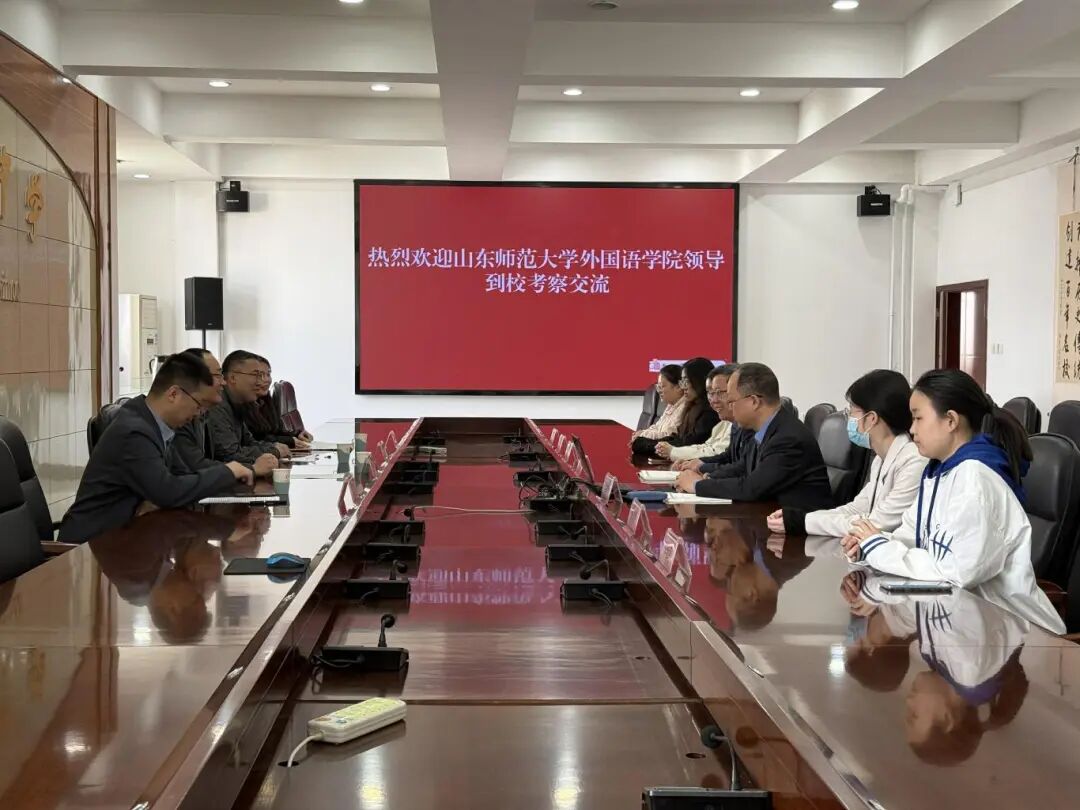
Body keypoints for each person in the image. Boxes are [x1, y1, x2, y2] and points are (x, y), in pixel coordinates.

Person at [841, 368, 1064, 633]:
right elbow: (910, 535)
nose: (911, 429)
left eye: (918, 418)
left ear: (950, 420)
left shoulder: (976, 479)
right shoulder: (939, 472)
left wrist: (878, 547)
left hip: (1017, 632)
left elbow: (956, 573)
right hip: (965, 626)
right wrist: (869, 544)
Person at [58, 353, 252, 543]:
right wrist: (228, 472)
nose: (199, 414)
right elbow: (168, 491)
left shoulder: (155, 425)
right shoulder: (135, 431)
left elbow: (181, 476)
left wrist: (157, 497)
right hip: (91, 544)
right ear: (174, 394)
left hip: (128, 536)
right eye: (198, 404)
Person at [768, 369, 926, 537]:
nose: (848, 417)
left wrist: (803, 522)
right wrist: (804, 518)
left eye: (851, 411)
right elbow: (856, 509)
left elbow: (876, 524)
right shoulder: (880, 459)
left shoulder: (914, 462)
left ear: (871, 419)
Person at [675, 363, 833, 510]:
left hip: (797, 525)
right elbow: (744, 467)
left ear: (754, 401)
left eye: (731, 401)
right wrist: (710, 478)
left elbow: (752, 488)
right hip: (768, 513)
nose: (729, 407)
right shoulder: (765, 429)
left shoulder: (787, 438)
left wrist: (697, 485)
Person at [173, 348, 278, 478]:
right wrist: (253, 468)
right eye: (218, 376)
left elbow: (249, 441)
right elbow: (198, 466)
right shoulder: (189, 415)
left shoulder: (208, 411)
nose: (223, 382)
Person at [207, 350, 291, 466]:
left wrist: (274, 446)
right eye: (256, 375)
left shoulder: (239, 403)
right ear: (233, 378)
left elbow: (249, 442)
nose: (261, 382)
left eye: (264, 375)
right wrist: (275, 451)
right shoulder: (218, 405)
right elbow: (229, 455)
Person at [633, 357, 719, 457]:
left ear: (699, 381)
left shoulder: (710, 412)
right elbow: (677, 437)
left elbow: (687, 444)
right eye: (682, 381)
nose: (683, 387)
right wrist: (645, 441)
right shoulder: (692, 406)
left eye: (686, 381)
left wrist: (647, 445)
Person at [657, 364, 737, 462]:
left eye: (720, 392)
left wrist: (673, 452)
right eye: (710, 392)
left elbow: (717, 453)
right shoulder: (724, 422)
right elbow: (707, 447)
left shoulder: (711, 414)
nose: (714, 400)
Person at [241, 355, 314, 450]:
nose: (266, 380)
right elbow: (256, 438)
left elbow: (276, 431)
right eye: (259, 375)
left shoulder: (265, 399)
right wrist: (289, 441)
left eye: (268, 374)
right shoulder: (241, 404)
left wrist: (297, 435)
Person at [630, 365, 685, 445]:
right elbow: (657, 427)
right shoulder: (671, 405)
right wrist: (642, 433)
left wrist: (642, 434)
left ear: (678, 387)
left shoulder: (685, 408)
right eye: (658, 386)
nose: (658, 391)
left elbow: (669, 436)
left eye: (662, 386)